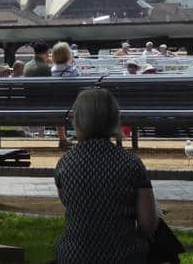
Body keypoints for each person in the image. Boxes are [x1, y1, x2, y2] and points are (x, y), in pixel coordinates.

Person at [54, 89, 158, 263]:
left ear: (77, 120)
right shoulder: (132, 164)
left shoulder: (65, 164)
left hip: (74, 255)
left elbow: (68, 203)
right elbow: (147, 223)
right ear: (114, 119)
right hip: (124, 255)